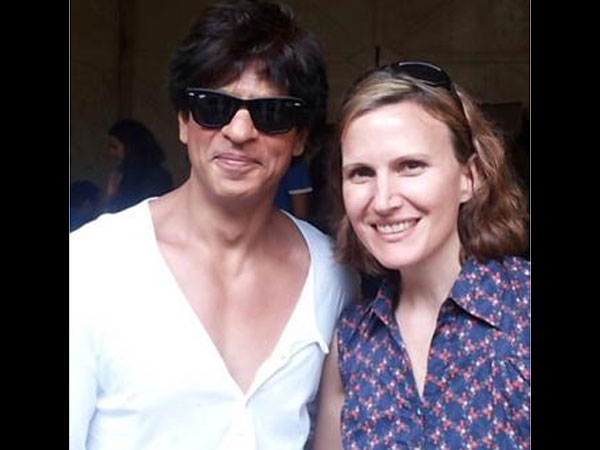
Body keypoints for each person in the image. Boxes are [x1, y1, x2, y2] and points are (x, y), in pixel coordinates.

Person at [69, 1, 358, 449]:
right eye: (213, 106)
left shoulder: (333, 274)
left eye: (272, 113)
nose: (239, 131)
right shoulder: (92, 264)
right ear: (183, 122)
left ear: (301, 137)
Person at [312, 61, 530, 449]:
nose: (383, 201)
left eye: (410, 166)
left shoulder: (523, 308)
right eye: (361, 173)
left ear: (469, 177)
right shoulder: (352, 343)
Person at [104, 118, 174, 213]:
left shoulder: (155, 177)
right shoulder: (121, 174)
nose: (111, 152)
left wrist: (112, 195)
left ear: (130, 146)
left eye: (115, 147)